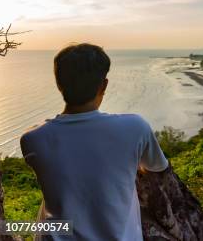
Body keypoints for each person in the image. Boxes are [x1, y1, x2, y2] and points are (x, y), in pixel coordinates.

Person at [20, 43, 169, 241]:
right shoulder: (135, 127)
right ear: (104, 85)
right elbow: (158, 170)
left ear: (59, 84)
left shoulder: (32, 140)